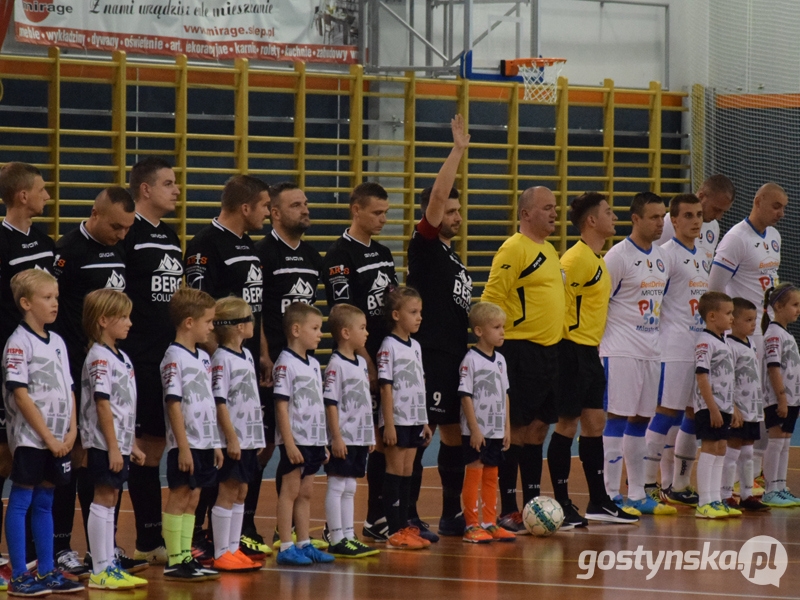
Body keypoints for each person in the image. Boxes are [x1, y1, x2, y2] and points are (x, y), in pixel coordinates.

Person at [51, 186, 136, 578]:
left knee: (104, 484)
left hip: (104, 362)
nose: (121, 235)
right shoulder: (69, 251)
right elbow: (57, 309)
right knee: (77, 461)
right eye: (116, 227)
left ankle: (105, 550)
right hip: (76, 365)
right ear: (96, 214)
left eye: (126, 229)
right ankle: (63, 546)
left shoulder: (119, 247)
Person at [184, 174, 270, 560]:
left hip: (244, 356)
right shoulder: (206, 244)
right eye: (266, 206)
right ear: (245, 207)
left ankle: (231, 537)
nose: (269, 213)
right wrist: (218, 354)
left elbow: (254, 310)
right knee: (219, 453)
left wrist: (261, 351)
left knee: (242, 460)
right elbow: (202, 306)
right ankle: (202, 535)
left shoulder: (248, 245)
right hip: (221, 359)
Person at [547, 192, 638, 526]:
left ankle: (599, 501)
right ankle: (562, 503)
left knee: (595, 423)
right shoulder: (574, 260)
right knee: (567, 424)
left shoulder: (597, 259)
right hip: (570, 350)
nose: (614, 217)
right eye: (608, 212)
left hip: (590, 351)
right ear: (591, 221)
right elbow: (556, 301)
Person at [481, 186, 564, 533]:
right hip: (520, 349)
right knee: (514, 430)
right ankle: (509, 507)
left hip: (550, 351)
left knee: (538, 428)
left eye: (556, 208)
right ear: (526, 214)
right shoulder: (514, 249)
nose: (554, 214)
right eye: (547, 208)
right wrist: (493, 349)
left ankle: (532, 502)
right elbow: (492, 297)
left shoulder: (549, 250)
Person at [406, 115, 472, 538]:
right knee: (417, 438)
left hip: (454, 356)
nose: (456, 215)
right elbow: (436, 200)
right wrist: (458, 151)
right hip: (428, 354)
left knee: (454, 434)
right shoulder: (425, 248)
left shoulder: (452, 257)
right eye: (450, 210)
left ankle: (452, 514)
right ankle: (405, 516)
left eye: (459, 210)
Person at [322, 182, 397, 542]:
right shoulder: (339, 254)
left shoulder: (383, 252)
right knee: (363, 439)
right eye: (376, 213)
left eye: (385, 212)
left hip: (387, 354)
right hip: (361, 360)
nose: (383, 219)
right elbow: (343, 314)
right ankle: (339, 523)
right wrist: (366, 360)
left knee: (385, 435)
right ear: (356, 209)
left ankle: (377, 515)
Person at [253, 181, 322, 554]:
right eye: (297, 204)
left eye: (306, 202)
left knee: (299, 466)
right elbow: (258, 310)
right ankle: (247, 520)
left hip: (303, 363)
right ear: (275, 213)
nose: (305, 209)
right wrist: (264, 353)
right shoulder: (263, 254)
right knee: (265, 445)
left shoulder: (312, 257)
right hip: (275, 364)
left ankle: (293, 533)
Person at [3, 270, 82, 595]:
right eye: (47, 298)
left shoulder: (59, 342)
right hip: (31, 438)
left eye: (57, 298)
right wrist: (47, 437)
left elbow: (69, 389)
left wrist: (72, 431)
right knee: (22, 499)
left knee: (46, 501)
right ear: (25, 303)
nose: (54, 304)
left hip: (59, 438)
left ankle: (47, 570)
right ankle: (20, 574)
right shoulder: (18, 343)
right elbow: (20, 394)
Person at [122, 157, 183, 565]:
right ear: (145, 189)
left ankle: (156, 536)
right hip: (139, 356)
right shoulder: (129, 233)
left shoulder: (172, 235)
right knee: (143, 447)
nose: (176, 190)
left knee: (160, 444)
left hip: (169, 356)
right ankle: (147, 536)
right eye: (168, 183)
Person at [599, 192, 676, 515]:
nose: (661, 223)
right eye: (654, 217)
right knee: (616, 417)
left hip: (651, 351)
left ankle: (637, 493)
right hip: (620, 350)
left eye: (663, 217)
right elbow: (599, 303)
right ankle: (610, 494)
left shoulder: (663, 258)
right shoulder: (617, 257)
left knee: (643, 420)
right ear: (635, 219)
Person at [709, 182, 787, 487]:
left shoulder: (775, 237)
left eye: (784, 207)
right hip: (744, 337)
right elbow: (714, 288)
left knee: (766, 402)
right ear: (758, 201)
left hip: (767, 330)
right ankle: (730, 482)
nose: (781, 213)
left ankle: (753, 477)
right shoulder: (736, 239)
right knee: (744, 404)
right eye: (776, 206)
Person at [0, 162, 57, 553]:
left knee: (30, 465)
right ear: (23, 195)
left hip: (38, 364)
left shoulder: (44, 242)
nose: (47, 197)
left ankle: (35, 560)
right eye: (42, 190)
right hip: (8, 361)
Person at [79, 289, 148, 590]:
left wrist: (129, 443)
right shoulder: (99, 358)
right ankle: (100, 568)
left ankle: (109, 564)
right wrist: (113, 446)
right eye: (123, 317)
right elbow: (103, 404)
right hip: (102, 443)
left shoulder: (121, 357)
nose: (129, 323)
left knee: (112, 499)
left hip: (117, 442)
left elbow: (124, 407)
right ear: (103, 320)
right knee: (104, 497)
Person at [643, 194, 707, 506]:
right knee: (666, 413)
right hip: (673, 347)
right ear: (674, 220)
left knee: (694, 414)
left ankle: (679, 484)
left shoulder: (704, 255)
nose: (696, 221)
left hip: (700, 348)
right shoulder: (664, 255)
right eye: (689, 215)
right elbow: (653, 303)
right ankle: (647, 484)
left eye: (699, 215)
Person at [159, 287, 222, 582]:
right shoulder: (174, 357)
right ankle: (175, 558)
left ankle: (186, 555)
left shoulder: (204, 358)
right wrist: (182, 447)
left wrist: (215, 442)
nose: (211, 327)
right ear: (188, 322)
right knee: (180, 495)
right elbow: (174, 403)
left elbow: (207, 401)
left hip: (205, 440)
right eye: (208, 322)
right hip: (186, 442)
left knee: (194, 497)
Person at [272, 303, 334, 566]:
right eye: (315, 328)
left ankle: (304, 542)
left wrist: (323, 441)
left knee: (306, 492)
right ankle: (286, 545)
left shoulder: (311, 363)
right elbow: (282, 406)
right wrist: (289, 443)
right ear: (296, 330)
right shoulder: (285, 364)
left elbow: (315, 404)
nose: (320, 334)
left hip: (313, 439)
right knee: (290, 491)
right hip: (296, 440)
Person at [209, 297, 266, 571]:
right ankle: (221, 551)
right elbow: (220, 400)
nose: (253, 323)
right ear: (237, 327)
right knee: (229, 490)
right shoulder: (221, 359)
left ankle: (233, 547)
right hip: (234, 438)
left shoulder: (247, 354)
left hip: (249, 437)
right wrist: (231, 437)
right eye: (249, 319)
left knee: (242, 491)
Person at [323, 304, 379, 559]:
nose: (366, 333)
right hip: (343, 437)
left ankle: (348, 534)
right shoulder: (336, 365)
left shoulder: (360, 363)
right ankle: (336, 536)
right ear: (346, 333)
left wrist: (367, 435)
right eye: (362, 328)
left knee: (351, 487)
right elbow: (331, 403)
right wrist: (336, 437)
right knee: (337, 484)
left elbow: (364, 404)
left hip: (358, 436)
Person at [377, 287, 432, 550]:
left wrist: (423, 420)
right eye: (413, 312)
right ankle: (394, 529)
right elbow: (386, 386)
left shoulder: (417, 345)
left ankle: (405, 526)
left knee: (408, 470)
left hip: (414, 419)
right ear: (396, 315)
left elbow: (419, 384)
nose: (419, 317)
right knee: (395, 470)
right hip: (397, 419)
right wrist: (388, 423)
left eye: (420, 312)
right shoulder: (389, 346)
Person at [458, 302, 515, 543]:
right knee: (475, 472)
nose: (502, 332)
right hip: (478, 431)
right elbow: (465, 395)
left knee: (492, 474)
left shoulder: (500, 360)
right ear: (479, 331)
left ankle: (490, 522)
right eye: (496, 327)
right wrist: (474, 429)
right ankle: (471, 525)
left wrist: (507, 427)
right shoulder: (470, 360)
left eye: (503, 327)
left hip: (495, 429)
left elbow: (505, 395)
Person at [693, 291, 741, 518]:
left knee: (721, 447)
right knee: (710, 448)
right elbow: (702, 376)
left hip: (723, 407)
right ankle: (704, 502)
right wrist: (712, 408)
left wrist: (732, 406)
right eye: (728, 313)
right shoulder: (705, 342)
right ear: (712, 316)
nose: (732, 317)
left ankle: (715, 499)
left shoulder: (723, 341)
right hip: (709, 407)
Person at [722, 298, 769, 512]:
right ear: (733, 322)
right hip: (738, 409)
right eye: (748, 320)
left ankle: (747, 493)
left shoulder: (750, 343)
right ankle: (725, 494)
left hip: (752, 407)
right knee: (732, 452)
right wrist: (732, 406)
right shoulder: (729, 346)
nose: (753, 324)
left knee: (748, 452)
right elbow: (726, 378)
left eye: (755, 320)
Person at [760, 284, 800, 508]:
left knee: (784, 443)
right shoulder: (774, 335)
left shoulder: (785, 334)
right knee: (776, 443)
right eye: (794, 305)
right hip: (779, 400)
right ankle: (770, 490)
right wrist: (782, 398)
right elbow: (774, 369)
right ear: (778, 306)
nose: (798, 309)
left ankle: (781, 486)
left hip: (791, 399)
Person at [657, 174, 735, 274]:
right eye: (716, 209)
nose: (719, 217)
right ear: (701, 197)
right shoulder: (669, 222)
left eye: (723, 212)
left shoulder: (714, 226)